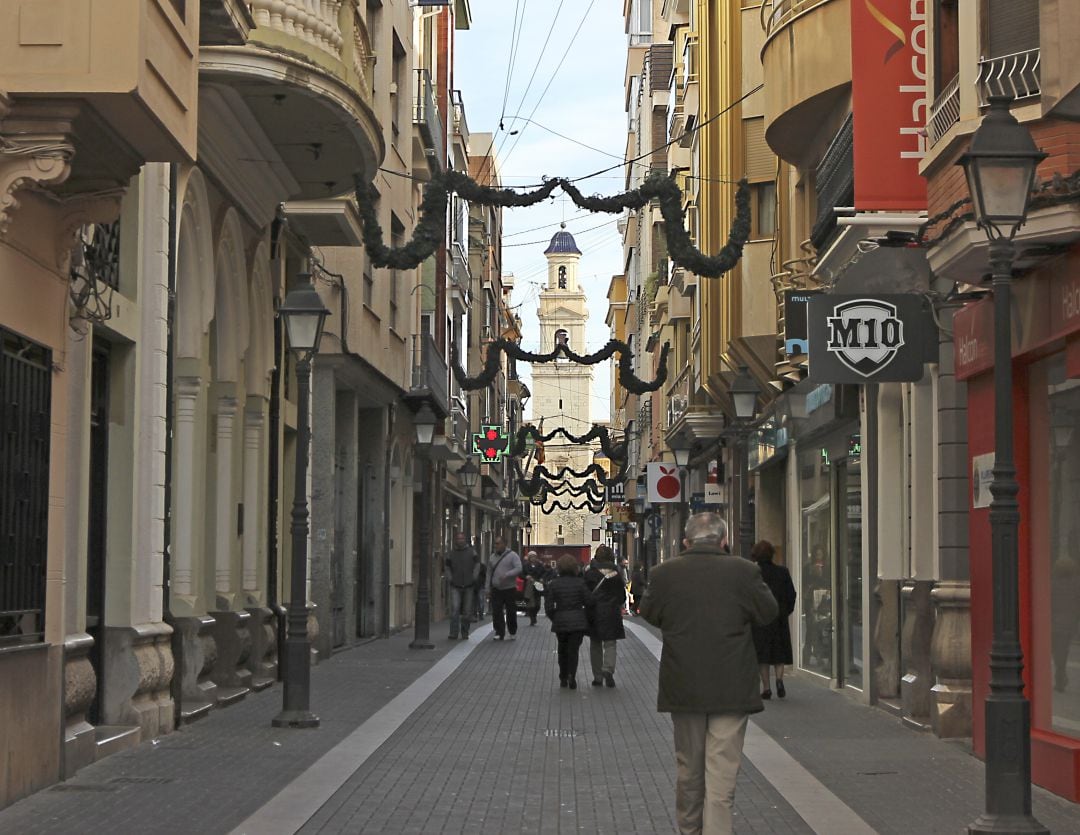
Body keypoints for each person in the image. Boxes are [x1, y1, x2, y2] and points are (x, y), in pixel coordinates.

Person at [640, 512, 778, 835]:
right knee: (722, 775)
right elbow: (768, 612)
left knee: (689, 769)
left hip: (684, 685)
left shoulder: (664, 573)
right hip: (732, 687)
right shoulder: (745, 571)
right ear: (724, 540)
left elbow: (648, 612)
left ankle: (689, 830)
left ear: (685, 542)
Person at [749, 540, 796, 699]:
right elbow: (791, 594)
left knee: (763, 656)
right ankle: (780, 680)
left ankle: (766, 688)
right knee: (779, 652)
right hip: (779, 618)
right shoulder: (782, 572)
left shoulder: (753, 572)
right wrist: (785, 611)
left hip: (760, 620)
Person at [544, 553, 593, 689]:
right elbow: (589, 601)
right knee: (573, 651)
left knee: (562, 649)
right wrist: (583, 615)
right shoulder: (580, 583)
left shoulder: (554, 584)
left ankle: (563, 676)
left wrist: (555, 617)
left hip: (561, 621)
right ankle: (572, 675)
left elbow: (548, 606)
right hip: (577, 622)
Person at [584, 544, 626, 688]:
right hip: (611, 613)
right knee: (610, 643)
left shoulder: (590, 573)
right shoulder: (616, 574)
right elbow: (622, 597)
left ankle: (597, 676)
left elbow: (585, 593)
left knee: (595, 644)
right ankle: (608, 669)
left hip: (594, 612)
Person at [444, 531, 480, 640]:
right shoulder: (451, 553)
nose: (460, 540)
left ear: (465, 540)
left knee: (467, 611)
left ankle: (465, 632)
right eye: (458, 539)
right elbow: (447, 567)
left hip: (469, 585)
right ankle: (453, 633)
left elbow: (477, 565)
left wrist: (474, 577)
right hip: (455, 585)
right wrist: (450, 578)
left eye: (462, 538)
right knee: (455, 609)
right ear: (456, 540)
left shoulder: (472, 552)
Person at [486, 535, 522, 641]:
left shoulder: (513, 555)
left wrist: (508, 574)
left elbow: (519, 568)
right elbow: (489, 574)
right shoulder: (492, 557)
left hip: (509, 588)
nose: (495, 546)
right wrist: (487, 588)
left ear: (504, 544)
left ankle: (512, 631)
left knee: (511, 611)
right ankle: (499, 632)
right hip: (496, 588)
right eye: (495, 544)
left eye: (498, 543)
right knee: (497, 611)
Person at [521, 551, 546, 626]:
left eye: (534, 556)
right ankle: (532, 618)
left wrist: (542, 578)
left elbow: (544, 573)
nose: (533, 558)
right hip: (529, 586)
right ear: (529, 558)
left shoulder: (540, 565)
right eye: (531, 557)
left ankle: (534, 615)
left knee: (537, 604)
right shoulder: (525, 565)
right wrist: (526, 577)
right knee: (530, 604)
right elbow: (521, 574)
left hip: (537, 585)